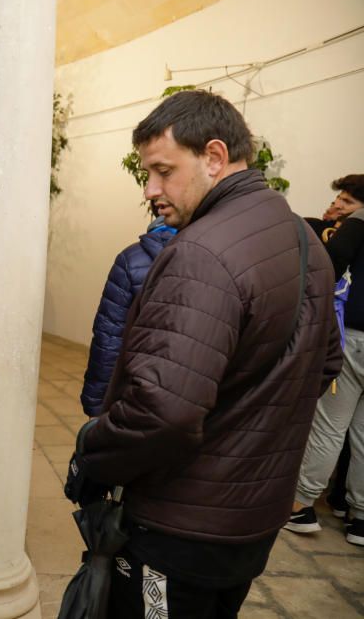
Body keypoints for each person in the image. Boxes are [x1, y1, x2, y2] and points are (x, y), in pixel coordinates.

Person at [65, 90, 342, 618]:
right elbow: (324, 363)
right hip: (251, 521)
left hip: (182, 528)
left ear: (214, 157)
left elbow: (162, 413)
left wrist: (92, 448)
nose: (150, 189)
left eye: (163, 171)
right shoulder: (301, 237)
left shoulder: (199, 252)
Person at [288, 174, 364, 544]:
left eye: (347, 201)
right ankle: (360, 518)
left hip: (354, 339)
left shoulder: (357, 226)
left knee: (330, 426)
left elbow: (329, 266)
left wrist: (334, 236)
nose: (341, 207)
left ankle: (301, 506)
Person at [79, 209, 177, 416]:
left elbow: (109, 339)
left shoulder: (132, 259)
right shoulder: (224, 256)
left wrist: (96, 404)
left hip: (135, 398)